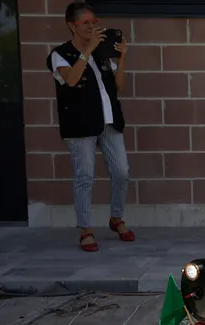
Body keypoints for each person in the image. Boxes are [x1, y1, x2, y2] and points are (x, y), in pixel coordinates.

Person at [46, 1, 134, 252]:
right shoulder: (59, 54)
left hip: (109, 121)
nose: (92, 26)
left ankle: (116, 218)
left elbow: (119, 86)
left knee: (122, 173)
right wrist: (87, 51)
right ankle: (86, 230)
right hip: (80, 124)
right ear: (71, 26)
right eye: (86, 23)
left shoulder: (103, 52)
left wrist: (122, 56)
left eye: (95, 22)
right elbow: (71, 80)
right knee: (85, 176)